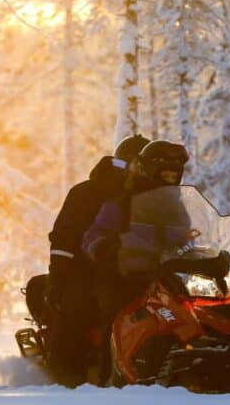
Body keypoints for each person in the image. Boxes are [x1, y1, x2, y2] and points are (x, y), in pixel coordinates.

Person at [41, 134, 149, 386]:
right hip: (88, 270)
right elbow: (64, 239)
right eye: (132, 164)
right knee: (79, 309)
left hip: (142, 270)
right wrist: (58, 277)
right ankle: (66, 377)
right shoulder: (87, 193)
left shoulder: (157, 196)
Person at [83, 140, 190, 331]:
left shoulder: (177, 208)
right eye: (166, 173)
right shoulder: (122, 202)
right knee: (115, 312)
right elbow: (93, 235)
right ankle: (108, 360)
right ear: (149, 170)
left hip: (166, 276)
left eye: (175, 174)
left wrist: (202, 250)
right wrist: (105, 248)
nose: (170, 178)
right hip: (123, 277)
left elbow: (188, 236)